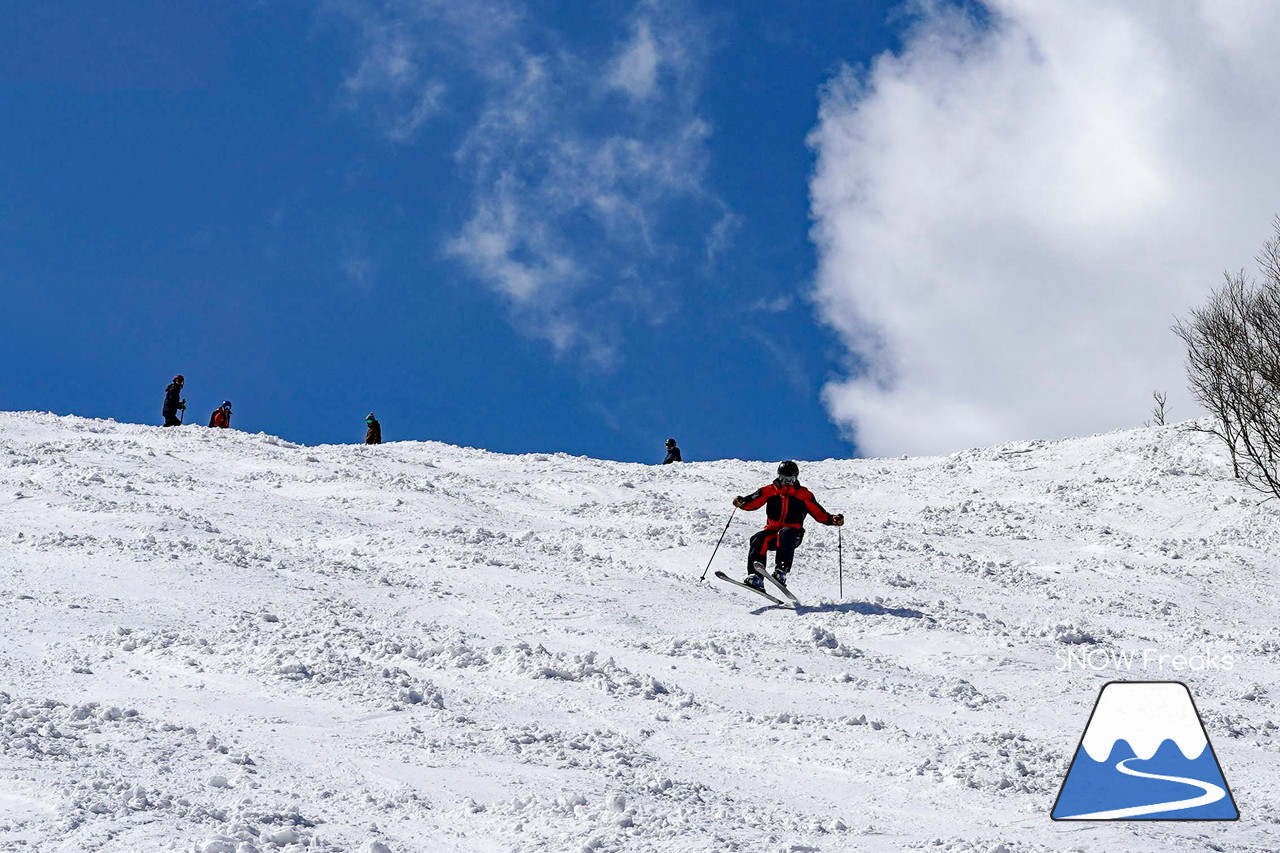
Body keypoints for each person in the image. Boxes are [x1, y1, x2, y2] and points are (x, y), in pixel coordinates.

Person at [732, 460, 844, 591]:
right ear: (779, 476)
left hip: (793, 534)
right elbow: (753, 502)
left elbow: (819, 513)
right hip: (773, 532)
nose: (787, 482)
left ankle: (781, 571)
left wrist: (833, 519)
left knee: (785, 532)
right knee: (758, 537)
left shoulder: (804, 495)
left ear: (796, 478)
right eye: (783, 478)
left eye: (790, 479)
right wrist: (742, 503)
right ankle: (755, 577)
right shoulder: (769, 490)